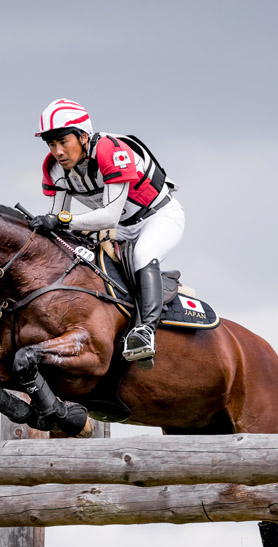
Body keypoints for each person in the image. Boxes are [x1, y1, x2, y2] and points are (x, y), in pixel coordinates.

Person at [28, 98, 184, 364]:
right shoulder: (54, 170)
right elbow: (57, 221)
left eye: (63, 141)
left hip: (158, 217)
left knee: (143, 254)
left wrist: (60, 220)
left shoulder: (111, 151)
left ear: (83, 136)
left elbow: (108, 216)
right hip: (119, 228)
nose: (58, 151)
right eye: (52, 144)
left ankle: (146, 331)